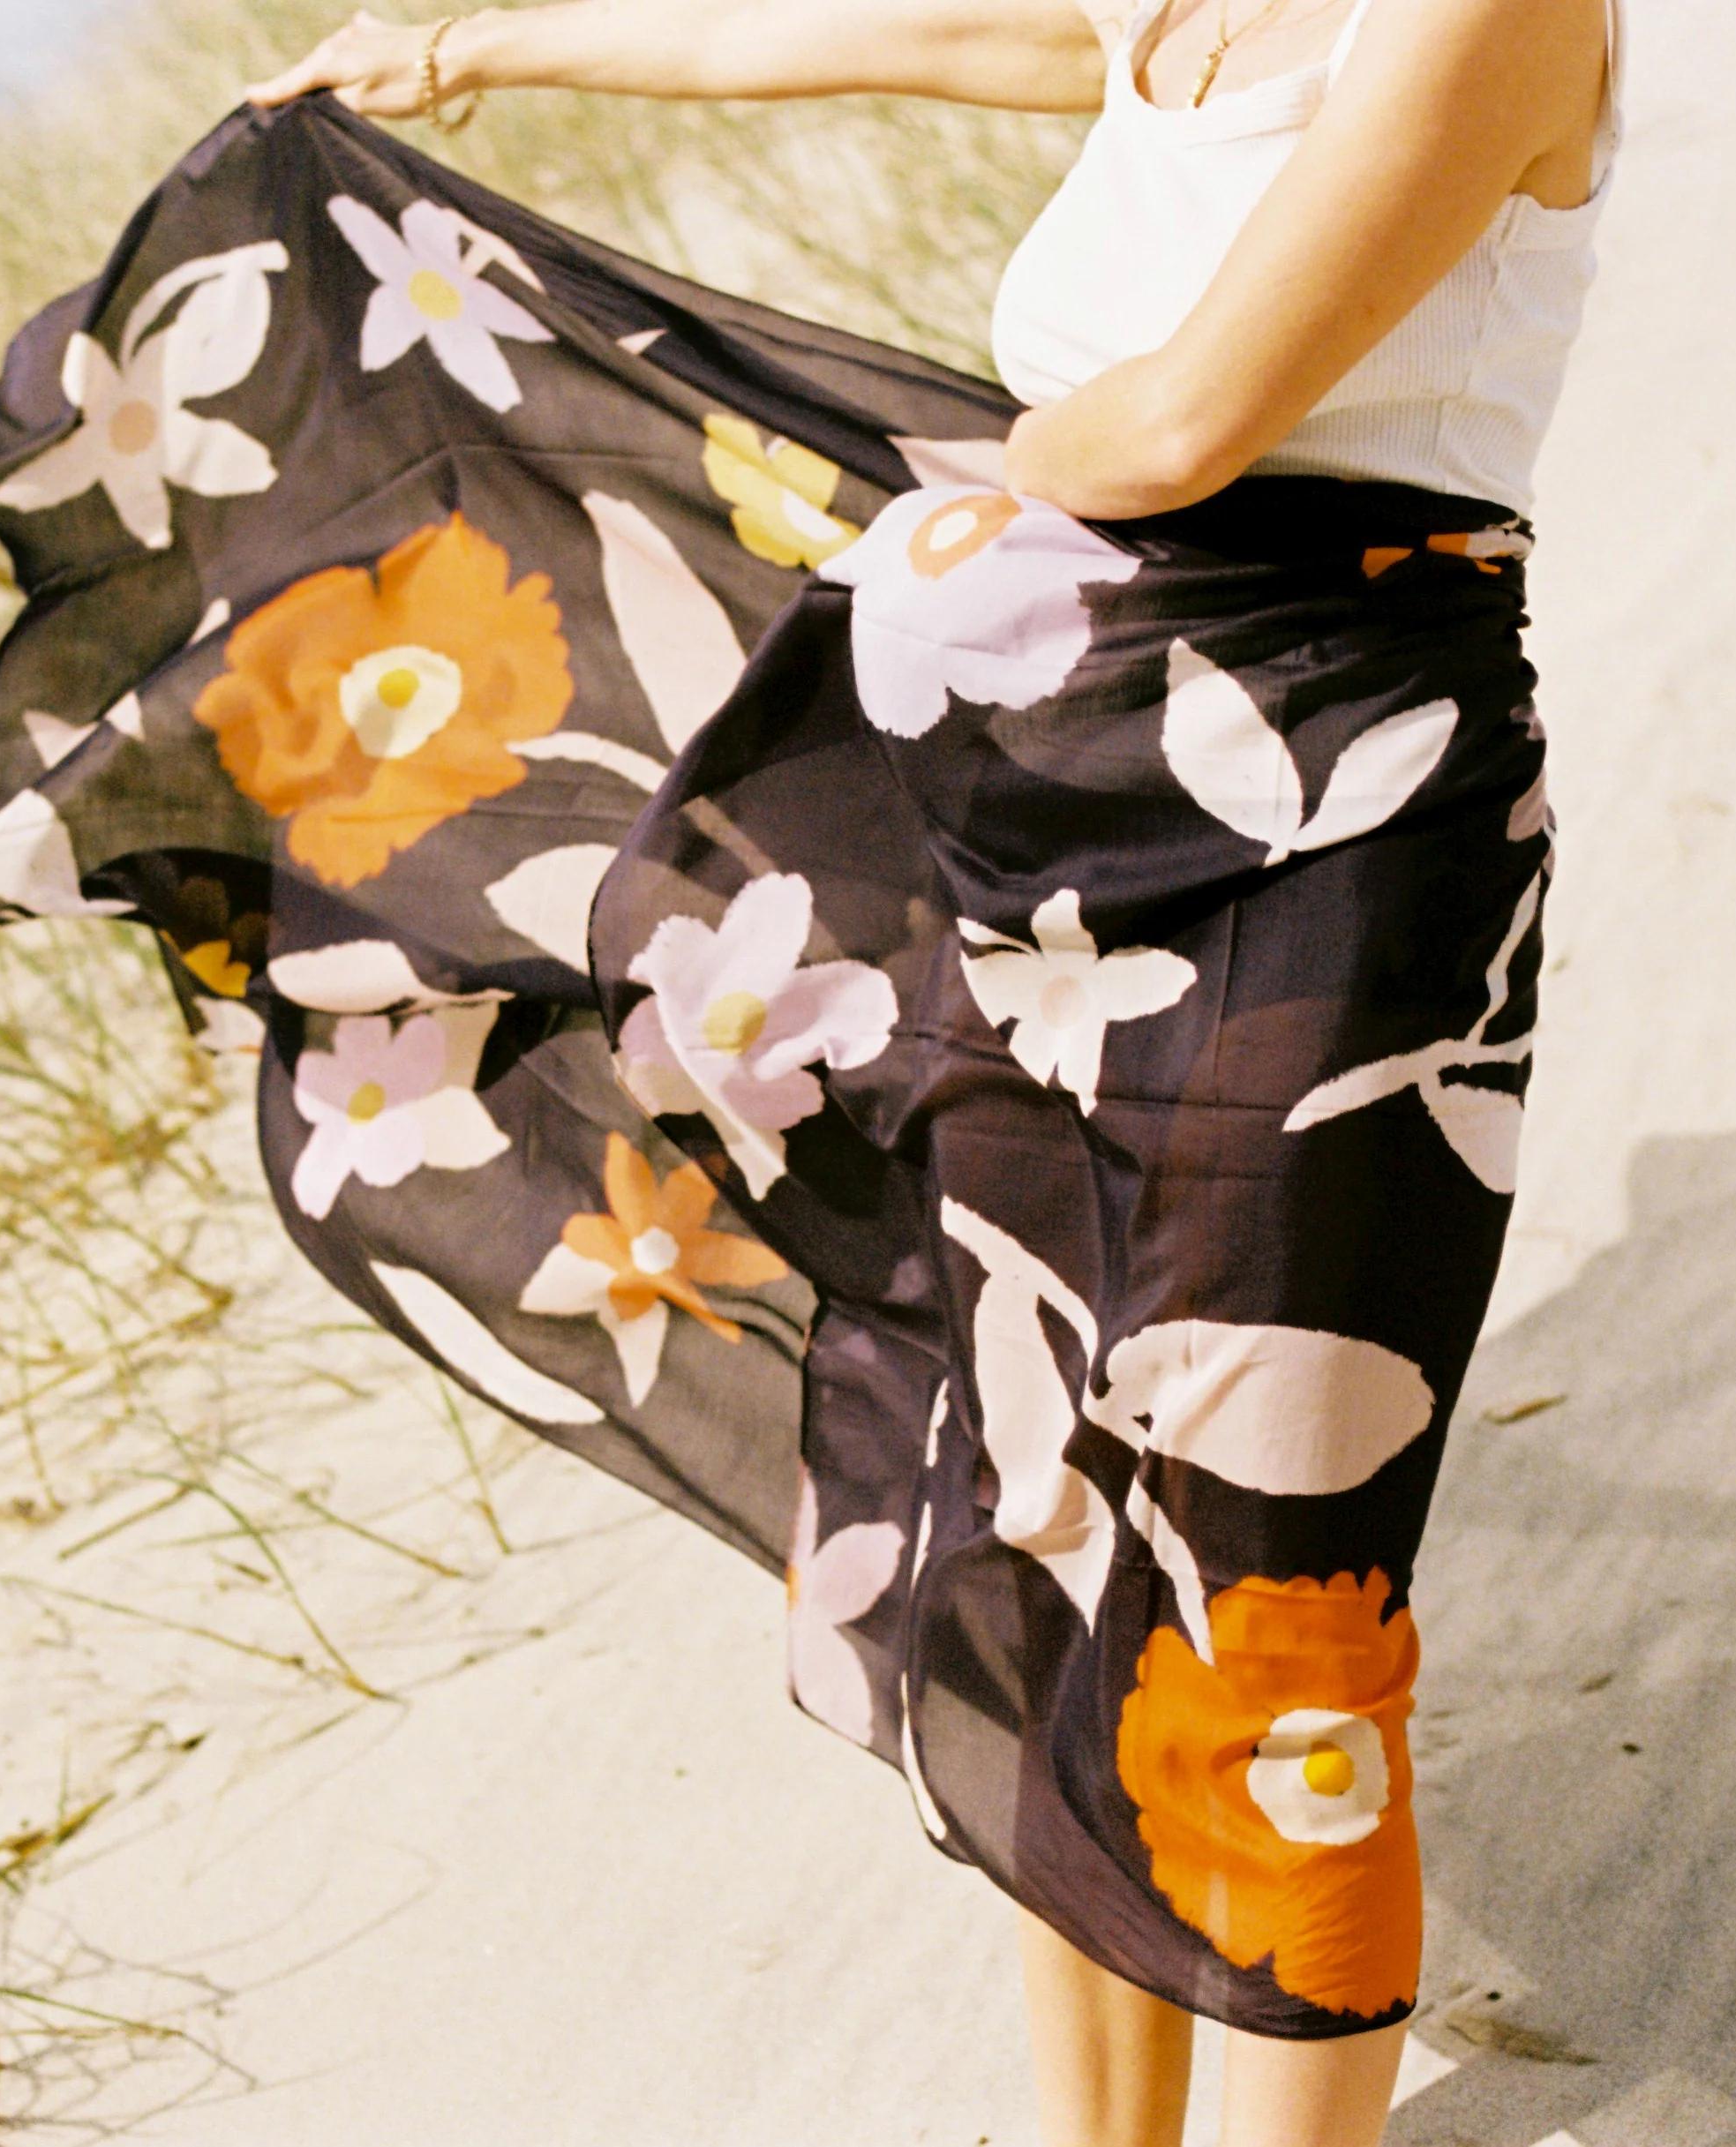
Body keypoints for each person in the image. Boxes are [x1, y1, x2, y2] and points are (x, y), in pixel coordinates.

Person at [233, 7, 1618, 2145]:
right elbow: (914, 26)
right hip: (1032, 831)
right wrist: (485, 40)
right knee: (1040, 1519)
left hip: (1332, 832)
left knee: (1273, 1599)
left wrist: (878, 503)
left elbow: (1181, 422)